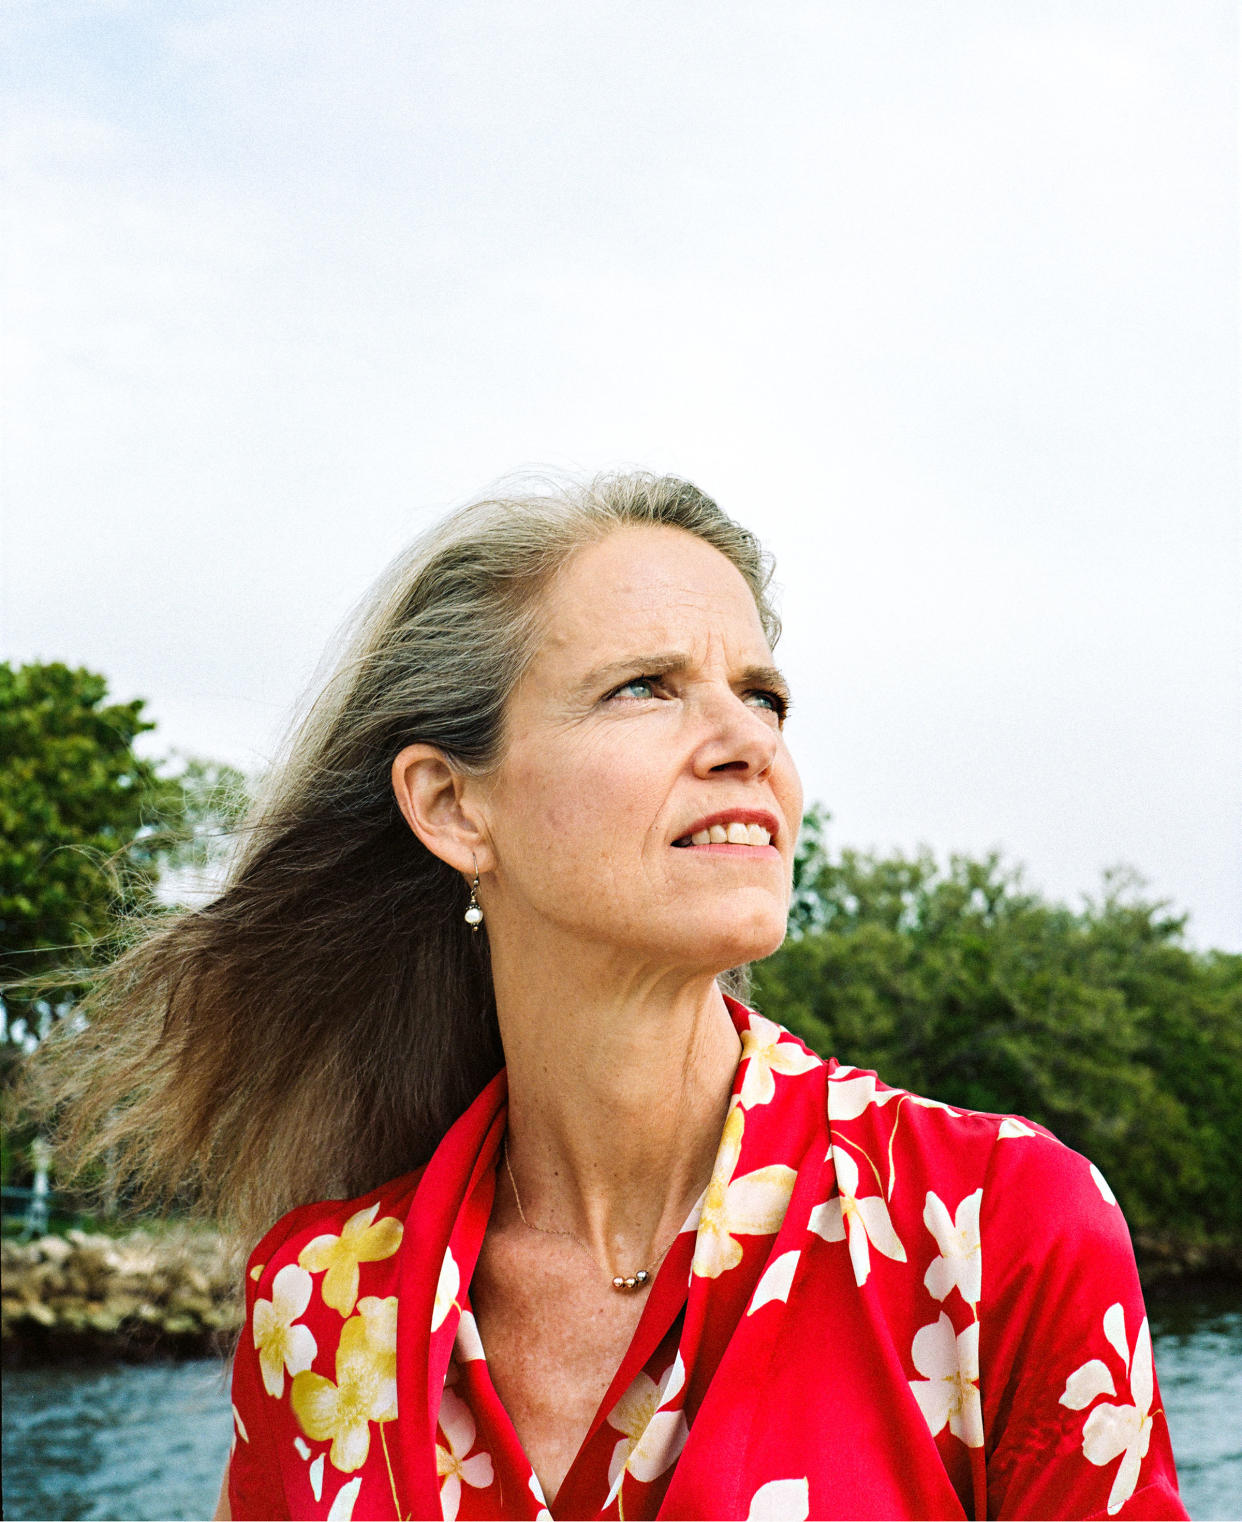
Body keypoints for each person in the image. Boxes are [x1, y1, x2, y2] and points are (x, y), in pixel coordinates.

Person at [37, 474, 1185, 1521]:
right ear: (450, 805)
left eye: (764, 696)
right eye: (646, 688)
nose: (749, 744)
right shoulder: (317, 1306)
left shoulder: (999, 1229)